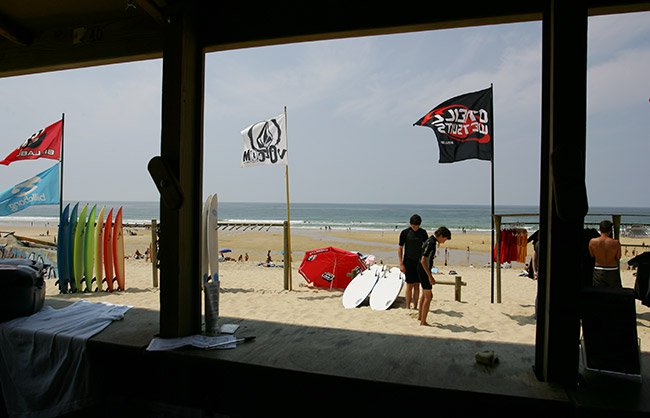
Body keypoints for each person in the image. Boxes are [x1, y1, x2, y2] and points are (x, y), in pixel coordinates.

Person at [418, 226, 451, 326]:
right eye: (445, 239)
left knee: (424, 294)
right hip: (423, 269)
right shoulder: (431, 243)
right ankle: (423, 321)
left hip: (421, 268)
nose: (445, 241)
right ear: (441, 236)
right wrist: (430, 276)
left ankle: (420, 317)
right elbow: (423, 260)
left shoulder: (430, 240)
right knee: (429, 296)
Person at [398, 214, 428, 310]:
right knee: (409, 285)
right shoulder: (405, 233)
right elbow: (400, 248)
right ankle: (407, 306)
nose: (415, 227)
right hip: (408, 261)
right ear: (410, 224)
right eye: (413, 225)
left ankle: (415, 306)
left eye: (417, 225)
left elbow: (426, 248)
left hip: (419, 262)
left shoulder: (423, 233)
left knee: (417, 285)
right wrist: (401, 263)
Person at [588, 220, 622, 288]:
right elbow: (618, 257)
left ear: (600, 229)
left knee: (599, 293)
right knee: (615, 293)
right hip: (613, 269)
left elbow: (592, 255)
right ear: (610, 230)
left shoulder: (592, 242)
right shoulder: (616, 243)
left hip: (598, 269)